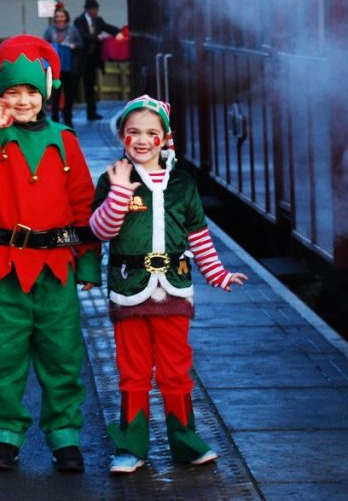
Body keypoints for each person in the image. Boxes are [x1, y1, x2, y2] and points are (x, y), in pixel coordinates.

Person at [0, 35, 101, 473]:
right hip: (3, 266)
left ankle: (64, 436)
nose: (22, 100)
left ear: (46, 92)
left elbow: (83, 205)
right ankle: (5, 434)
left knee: (62, 354)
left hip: (56, 267)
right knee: (1, 354)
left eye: (31, 92)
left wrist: (88, 261)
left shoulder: (64, 139)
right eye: (13, 91)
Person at [89, 95, 248, 474]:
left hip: (173, 289)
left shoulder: (183, 184)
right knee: (133, 370)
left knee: (176, 369)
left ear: (164, 137)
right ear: (122, 136)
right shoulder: (113, 178)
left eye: (151, 133)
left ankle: (185, 442)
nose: (142, 140)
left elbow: (199, 237)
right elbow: (100, 230)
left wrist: (218, 274)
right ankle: (131, 446)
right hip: (129, 290)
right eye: (133, 133)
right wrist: (120, 192)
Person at [74, 0, 121, 121]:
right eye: (93, 9)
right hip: (82, 60)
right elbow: (83, 36)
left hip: (94, 59)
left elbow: (108, 28)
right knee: (80, 86)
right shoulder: (79, 21)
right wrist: (97, 37)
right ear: (87, 10)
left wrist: (120, 32)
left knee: (91, 85)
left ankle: (92, 112)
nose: (95, 12)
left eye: (96, 9)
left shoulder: (98, 21)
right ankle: (69, 113)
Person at [41, 3, 83, 127]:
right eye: (57, 16)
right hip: (55, 69)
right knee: (55, 95)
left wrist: (74, 46)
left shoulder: (72, 29)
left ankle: (68, 119)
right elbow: (43, 45)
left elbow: (80, 43)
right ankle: (54, 120)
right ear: (54, 18)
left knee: (69, 95)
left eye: (62, 16)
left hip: (70, 67)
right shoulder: (49, 30)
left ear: (66, 17)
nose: (59, 18)